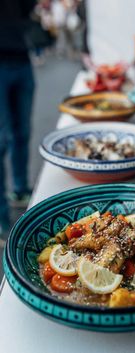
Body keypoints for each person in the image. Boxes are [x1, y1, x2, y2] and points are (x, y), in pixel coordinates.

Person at [0, 0, 36, 238]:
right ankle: (1, 216)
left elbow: (27, 8)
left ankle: (20, 189)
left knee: (21, 132)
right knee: (1, 139)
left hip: (22, 59)